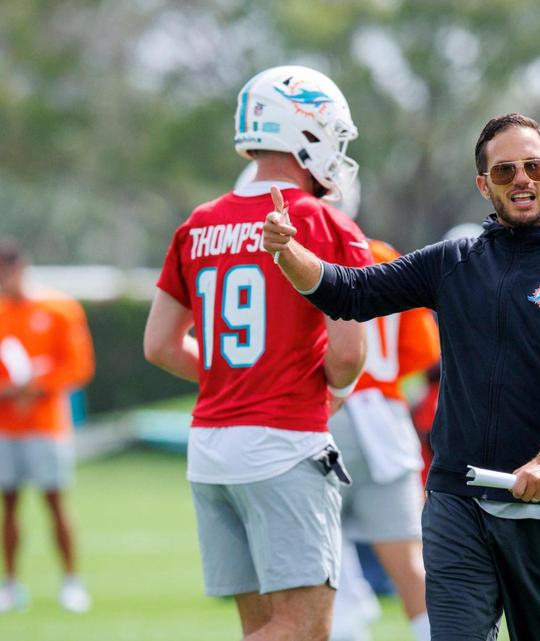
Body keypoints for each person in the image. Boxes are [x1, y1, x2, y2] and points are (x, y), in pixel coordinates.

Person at [262, 113, 540, 641]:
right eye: (504, 172)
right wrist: (286, 250)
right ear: (484, 186)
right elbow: (350, 292)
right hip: (460, 501)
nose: (521, 179)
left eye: (532, 166)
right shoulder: (456, 259)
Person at [143, 65, 371, 641]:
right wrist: (332, 392)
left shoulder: (198, 224)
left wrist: (234, 374)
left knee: (263, 627)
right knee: (304, 629)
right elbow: (347, 353)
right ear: (307, 132)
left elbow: (160, 345)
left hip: (210, 448)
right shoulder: (321, 220)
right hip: (282, 444)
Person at [327, 235, 439, 641]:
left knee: (324, 556)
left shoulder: (300, 252)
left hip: (324, 412)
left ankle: (348, 628)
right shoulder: (380, 254)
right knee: (409, 559)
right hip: (385, 419)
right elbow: (422, 350)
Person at [0, 240, 95, 614]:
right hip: (6, 426)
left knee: (55, 503)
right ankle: (10, 583)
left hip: (46, 425)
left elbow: (78, 366)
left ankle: (71, 582)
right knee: (9, 506)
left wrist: (37, 386)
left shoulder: (59, 309)